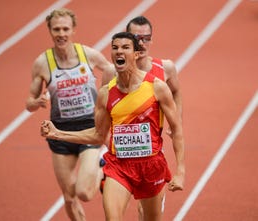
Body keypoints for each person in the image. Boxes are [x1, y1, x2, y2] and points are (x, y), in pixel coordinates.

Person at [40, 32, 185, 221]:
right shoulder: (106, 94)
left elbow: (177, 129)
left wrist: (180, 171)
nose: (119, 51)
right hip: (119, 166)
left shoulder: (156, 88)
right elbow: (98, 135)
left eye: (125, 48)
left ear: (136, 54)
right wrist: (58, 133)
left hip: (151, 165)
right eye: (115, 48)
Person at [25, 8, 115, 221]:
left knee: (83, 192)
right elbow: (28, 102)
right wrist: (36, 102)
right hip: (59, 133)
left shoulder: (88, 55)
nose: (61, 33)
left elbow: (112, 72)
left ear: (73, 30)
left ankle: (102, 168)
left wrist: (107, 99)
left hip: (90, 129)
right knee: (69, 197)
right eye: (56, 29)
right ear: (50, 30)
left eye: (65, 28)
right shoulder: (42, 63)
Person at [126, 16, 183, 220]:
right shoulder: (115, 72)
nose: (142, 43)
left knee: (145, 212)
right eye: (136, 38)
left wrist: (176, 117)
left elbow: (176, 92)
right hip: (123, 155)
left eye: (146, 38)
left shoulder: (165, 68)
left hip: (151, 150)